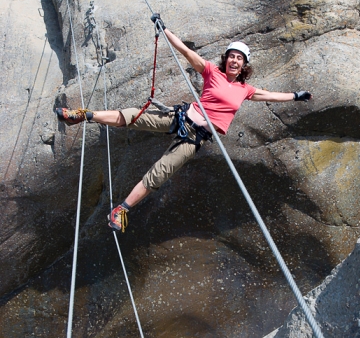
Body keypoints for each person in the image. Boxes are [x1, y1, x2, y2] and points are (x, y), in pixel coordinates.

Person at [56, 16, 311, 232]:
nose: (234, 61)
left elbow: (271, 96)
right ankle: (82, 116)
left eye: (239, 58)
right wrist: (163, 29)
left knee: (161, 172)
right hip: (181, 117)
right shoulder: (213, 71)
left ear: (244, 65)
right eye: (231, 56)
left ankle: (121, 211)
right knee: (133, 116)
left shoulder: (245, 89)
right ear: (226, 59)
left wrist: (296, 96)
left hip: (195, 138)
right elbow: (187, 53)